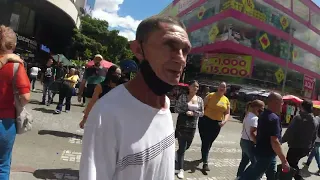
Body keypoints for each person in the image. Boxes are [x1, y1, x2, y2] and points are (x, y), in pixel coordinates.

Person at [79, 16, 191, 180]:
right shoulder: (107, 113)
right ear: (138, 49)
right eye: (169, 45)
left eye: (185, 50)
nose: (181, 58)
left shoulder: (165, 105)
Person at [0, 25, 31, 179]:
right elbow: (25, 97)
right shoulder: (15, 66)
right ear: (13, 45)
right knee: (2, 165)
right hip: (4, 122)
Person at [239, 92, 289, 180]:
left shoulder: (263, 115)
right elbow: (274, 141)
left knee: (271, 175)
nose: (282, 104)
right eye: (282, 102)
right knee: (251, 176)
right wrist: (284, 161)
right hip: (265, 154)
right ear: (275, 102)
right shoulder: (273, 118)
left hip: (264, 152)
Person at [282, 100, 320, 180]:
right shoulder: (315, 120)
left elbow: (289, 132)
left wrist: (281, 141)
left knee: (289, 164)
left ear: (302, 107)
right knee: (293, 163)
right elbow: (314, 136)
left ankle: (296, 178)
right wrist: (310, 147)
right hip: (306, 148)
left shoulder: (298, 118)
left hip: (296, 146)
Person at [174, 80, 204, 179]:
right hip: (182, 124)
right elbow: (176, 109)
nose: (196, 88)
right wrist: (186, 111)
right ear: (189, 87)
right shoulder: (183, 97)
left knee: (187, 146)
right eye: (194, 86)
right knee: (182, 148)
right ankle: (180, 169)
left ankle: (176, 154)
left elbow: (202, 113)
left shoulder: (199, 99)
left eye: (197, 87)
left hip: (192, 126)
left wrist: (194, 113)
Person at [199, 82, 230, 171]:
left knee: (210, 141)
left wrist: (224, 121)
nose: (222, 88)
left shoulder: (226, 100)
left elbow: (227, 113)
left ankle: (204, 154)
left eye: (224, 87)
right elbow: (202, 107)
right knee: (206, 141)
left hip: (217, 123)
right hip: (206, 121)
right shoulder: (210, 96)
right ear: (218, 87)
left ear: (225, 89)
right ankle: (205, 163)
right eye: (221, 86)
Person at [236, 100, 265, 179]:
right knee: (256, 163)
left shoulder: (247, 115)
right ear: (256, 108)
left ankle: (239, 176)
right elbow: (252, 133)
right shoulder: (255, 118)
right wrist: (257, 143)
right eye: (262, 108)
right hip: (249, 143)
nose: (263, 110)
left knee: (244, 161)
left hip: (243, 140)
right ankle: (245, 177)